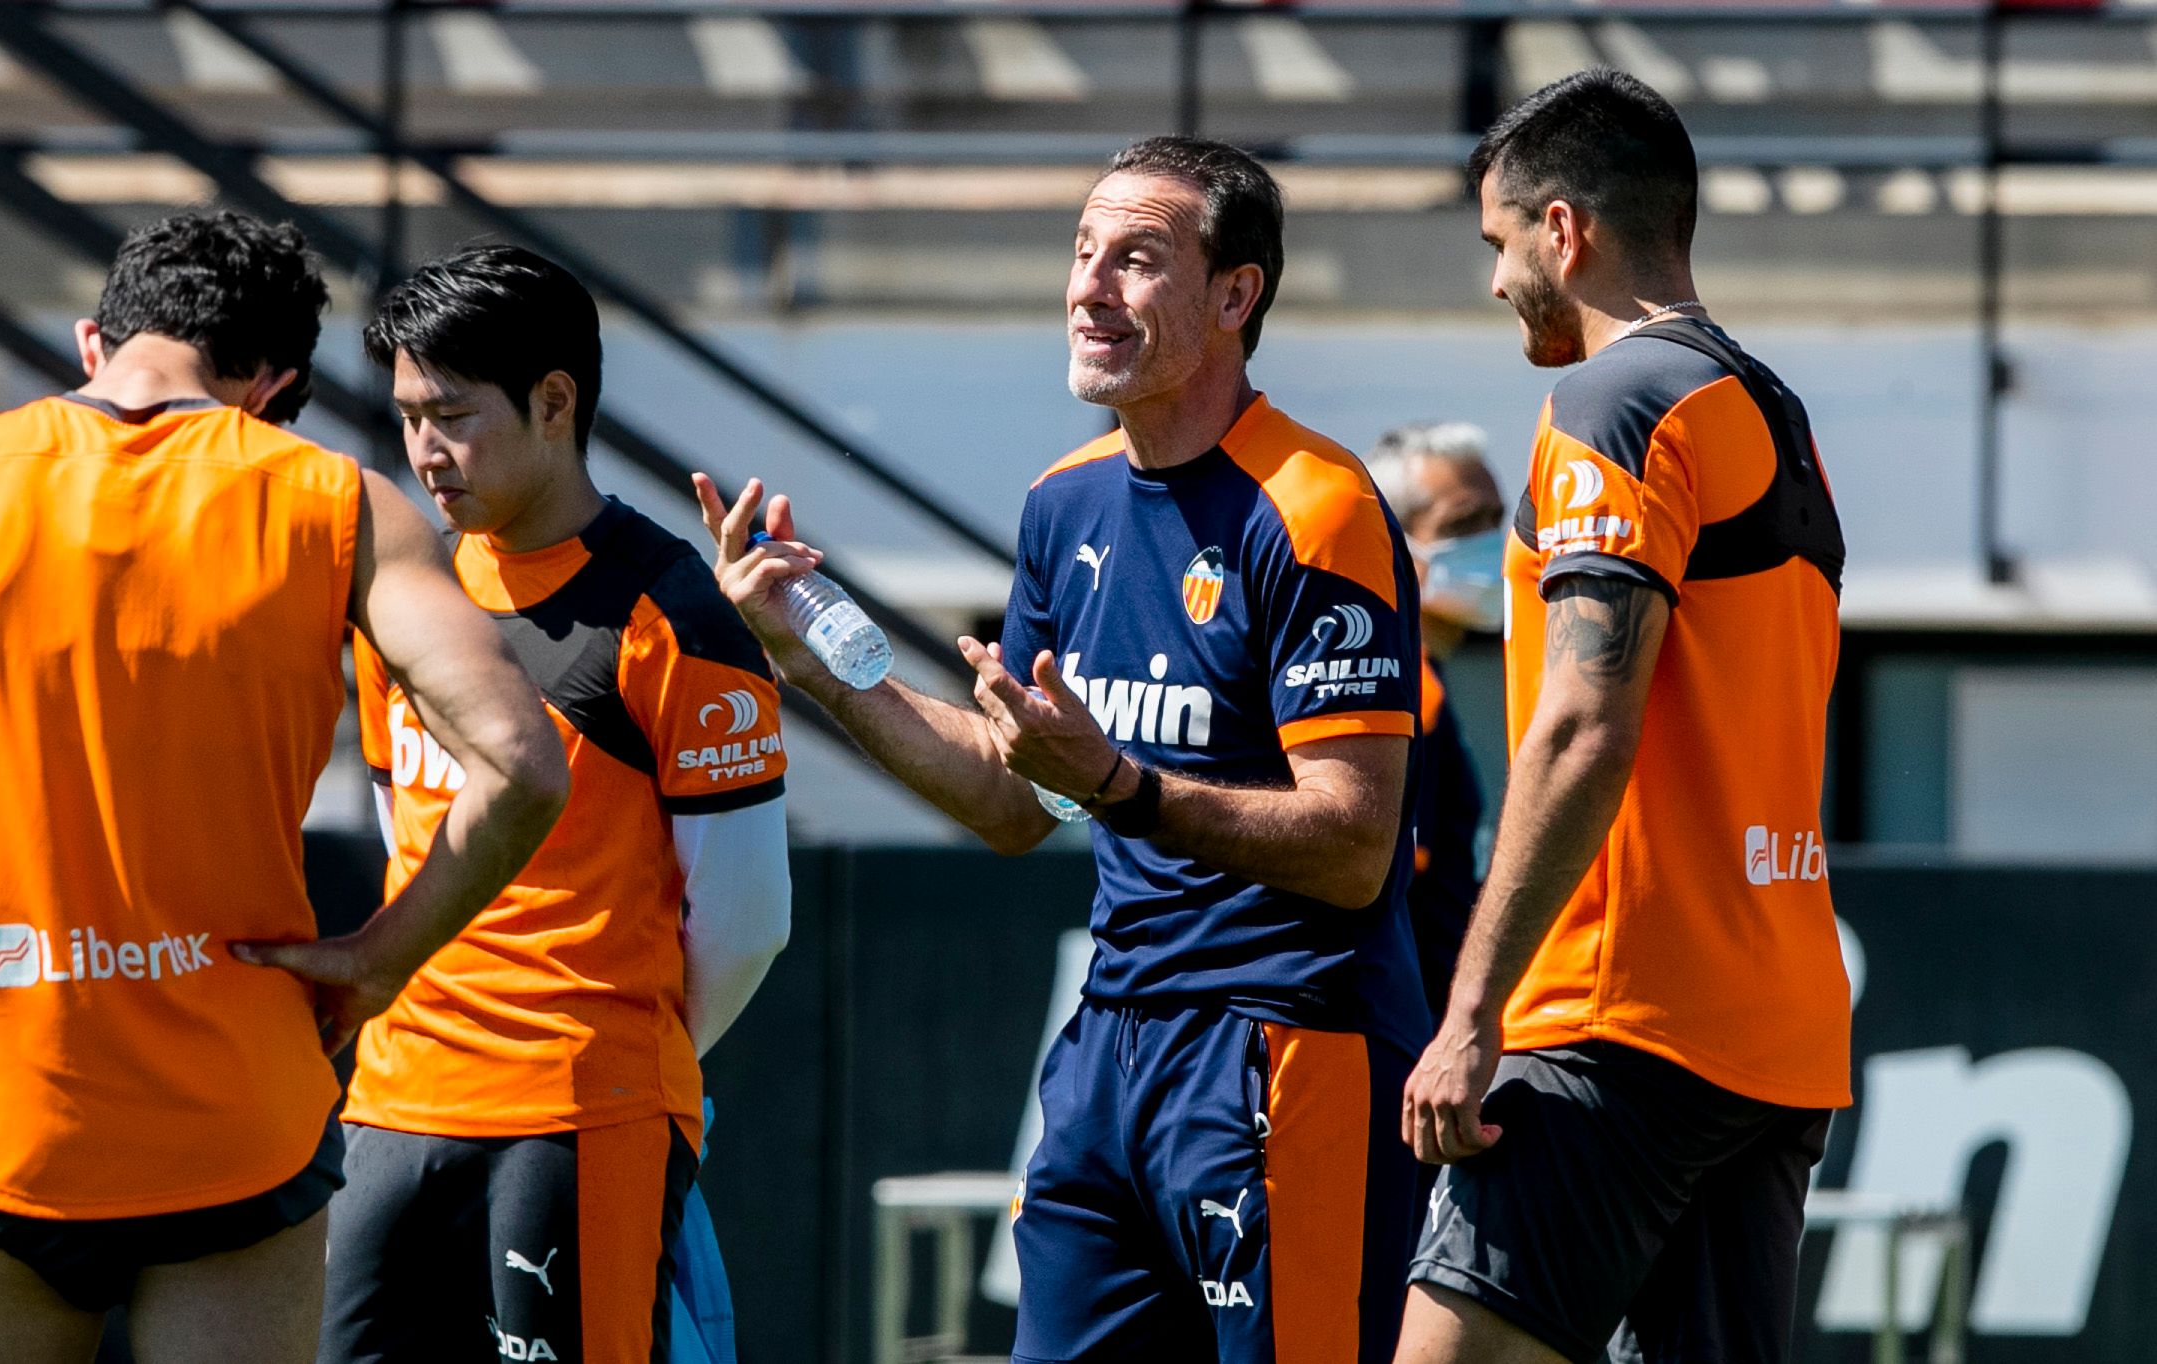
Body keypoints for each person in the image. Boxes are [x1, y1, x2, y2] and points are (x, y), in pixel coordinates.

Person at [699, 136, 1431, 1362]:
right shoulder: (1064, 501)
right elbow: (1010, 801)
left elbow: (1355, 846)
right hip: (1105, 1052)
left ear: (1235, 295)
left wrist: (1119, 784)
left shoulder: (1321, 507)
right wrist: (805, 656)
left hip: (1282, 1046)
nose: (1090, 287)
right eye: (1083, 253)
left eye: (1137, 258)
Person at [0, 210, 570, 1364]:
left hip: (16, 1107)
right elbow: (524, 761)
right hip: (240, 1127)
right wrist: (382, 954)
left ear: (94, 341)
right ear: (272, 382)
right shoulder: (338, 502)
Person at [1396, 71, 1850, 1364]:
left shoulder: (1612, 400)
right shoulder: (1770, 410)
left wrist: (1470, 1010)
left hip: (1613, 1021)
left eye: (1497, 245)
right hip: (1773, 1037)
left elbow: (1583, 725)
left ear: (1563, 232)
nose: (1495, 285)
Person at [322, 245, 793, 1364]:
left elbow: (747, 919)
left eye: (452, 414)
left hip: (581, 1111)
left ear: (554, 401)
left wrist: (627, 1057)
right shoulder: (408, 595)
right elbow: (414, 843)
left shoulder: (677, 616)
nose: (424, 452)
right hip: (394, 1097)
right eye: (406, 416)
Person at [1363, 422, 1504, 1023]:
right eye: (1465, 525)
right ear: (1394, 545)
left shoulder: (1424, 678)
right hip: (1400, 1034)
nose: (1496, 545)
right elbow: (1389, 900)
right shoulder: (1402, 686)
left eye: (1500, 520)